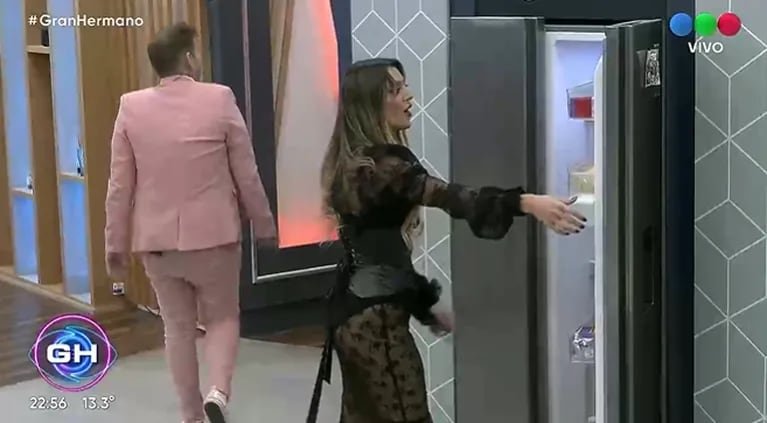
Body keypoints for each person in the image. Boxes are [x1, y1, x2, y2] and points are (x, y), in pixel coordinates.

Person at [307, 58, 586, 423]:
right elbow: (454, 197)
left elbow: (380, 253)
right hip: (375, 326)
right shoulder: (386, 168)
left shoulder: (358, 164)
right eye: (395, 90)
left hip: (356, 317)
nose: (409, 96)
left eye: (404, 86)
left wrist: (424, 307)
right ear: (370, 105)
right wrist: (527, 202)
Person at [104, 23, 276, 423]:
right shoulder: (220, 98)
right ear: (188, 58)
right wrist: (264, 224)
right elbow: (246, 172)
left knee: (177, 328)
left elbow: (119, 186)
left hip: (157, 243)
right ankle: (218, 392)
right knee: (222, 317)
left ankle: (190, 414)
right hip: (215, 238)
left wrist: (115, 245)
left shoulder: (131, 107)